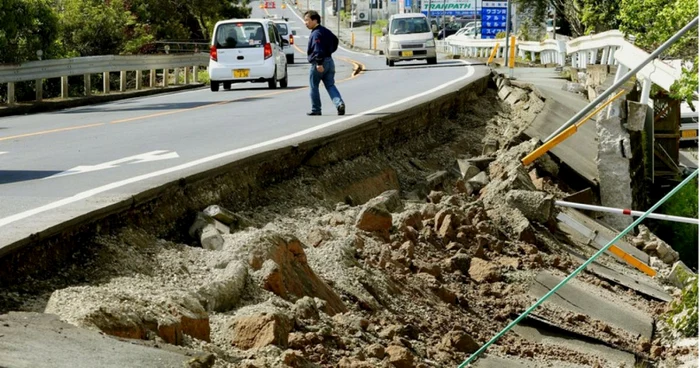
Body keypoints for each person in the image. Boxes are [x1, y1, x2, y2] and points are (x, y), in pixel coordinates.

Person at [303, 10, 345, 116]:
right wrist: (329, 52)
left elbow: (317, 49)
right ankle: (339, 104)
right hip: (329, 61)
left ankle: (316, 109)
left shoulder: (316, 34)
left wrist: (319, 63)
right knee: (330, 85)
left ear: (315, 20)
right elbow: (335, 41)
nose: (305, 23)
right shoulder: (325, 31)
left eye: (307, 20)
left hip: (319, 63)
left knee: (314, 86)